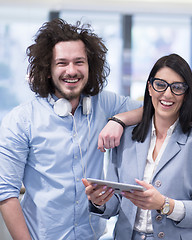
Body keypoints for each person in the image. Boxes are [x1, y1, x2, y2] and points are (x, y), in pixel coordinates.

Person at [0, 18, 142, 240]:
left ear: (89, 66)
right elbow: (6, 193)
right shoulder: (21, 120)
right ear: (48, 69)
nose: (71, 71)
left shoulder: (103, 104)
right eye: (62, 63)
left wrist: (119, 120)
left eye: (79, 62)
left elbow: (152, 110)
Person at [83, 53, 192, 240]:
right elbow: (117, 202)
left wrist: (165, 204)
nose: (167, 94)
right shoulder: (127, 136)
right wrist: (99, 201)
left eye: (177, 87)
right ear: (150, 88)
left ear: (187, 93)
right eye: (160, 85)